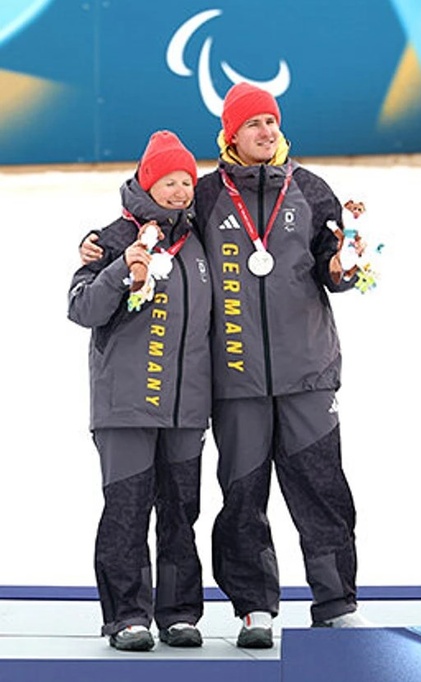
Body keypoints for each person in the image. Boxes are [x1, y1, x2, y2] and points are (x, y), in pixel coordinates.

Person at [194, 82, 368, 646]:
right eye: (253, 125)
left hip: (307, 375)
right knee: (242, 496)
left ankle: (336, 600)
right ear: (231, 135)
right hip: (235, 378)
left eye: (271, 122)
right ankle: (254, 607)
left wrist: (343, 268)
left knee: (321, 490)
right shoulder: (204, 197)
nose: (266, 133)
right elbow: (152, 223)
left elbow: (333, 268)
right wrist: (98, 242)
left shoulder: (312, 191)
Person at [68, 131, 211, 651]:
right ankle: (127, 615)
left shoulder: (201, 241)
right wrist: (117, 270)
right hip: (124, 406)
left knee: (181, 513)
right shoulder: (108, 238)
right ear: (149, 183)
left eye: (186, 182)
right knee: (126, 512)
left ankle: (178, 613)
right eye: (169, 182)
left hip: (186, 407)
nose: (179, 191)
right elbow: (80, 307)